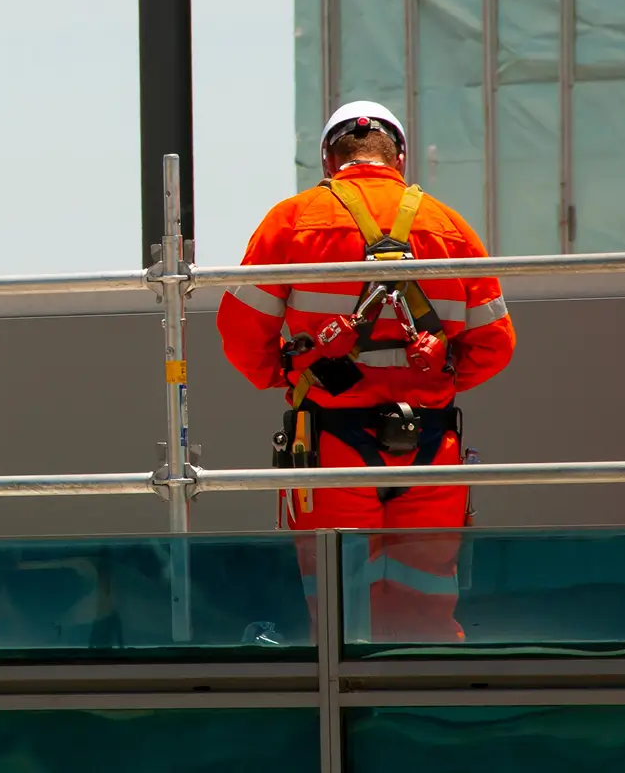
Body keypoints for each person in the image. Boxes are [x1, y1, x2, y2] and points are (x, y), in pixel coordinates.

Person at [216, 100, 516, 643]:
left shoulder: (292, 222)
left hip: (330, 449)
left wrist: (288, 379)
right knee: (424, 606)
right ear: (399, 156)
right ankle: (424, 711)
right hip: (431, 449)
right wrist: (435, 381)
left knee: (337, 611)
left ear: (329, 160)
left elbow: (241, 334)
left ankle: (347, 715)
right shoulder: (451, 228)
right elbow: (495, 344)